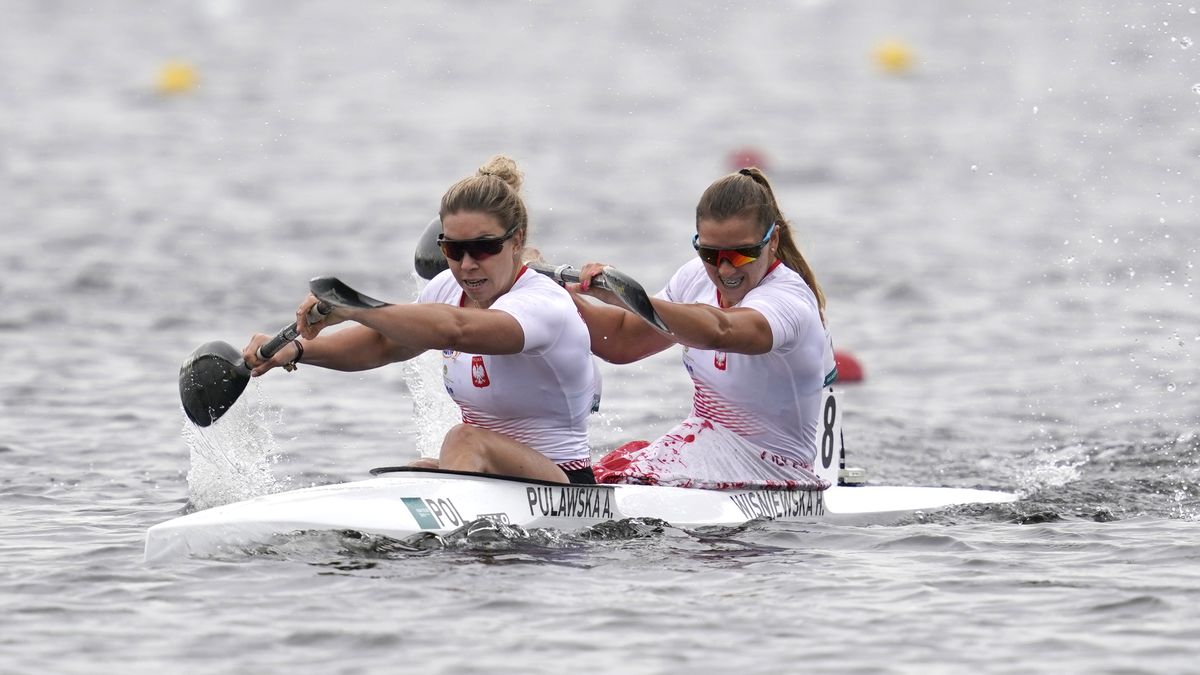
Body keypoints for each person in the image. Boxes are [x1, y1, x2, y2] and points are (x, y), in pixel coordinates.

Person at [242, 155, 599, 484]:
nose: (468, 264)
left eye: (483, 247)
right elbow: (382, 343)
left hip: (564, 482)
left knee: (463, 439)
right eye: (453, 250)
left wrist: (351, 307)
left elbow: (455, 330)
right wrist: (297, 350)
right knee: (416, 471)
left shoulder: (543, 303)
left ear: (516, 241)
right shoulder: (446, 287)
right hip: (497, 472)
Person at [568, 167, 835, 489]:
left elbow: (720, 330)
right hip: (704, 447)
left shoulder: (789, 300)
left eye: (742, 254)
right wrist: (560, 300)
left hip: (774, 471)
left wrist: (627, 296)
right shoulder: (694, 276)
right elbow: (622, 341)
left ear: (772, 240)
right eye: (710, 253)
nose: (724, 269)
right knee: (596, 476)